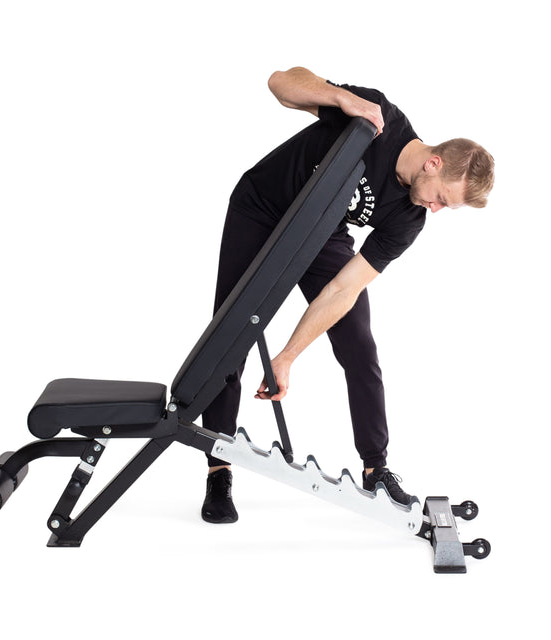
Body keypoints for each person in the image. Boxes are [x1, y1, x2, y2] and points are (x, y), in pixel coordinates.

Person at [200, 67, 494, 523]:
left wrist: (287, 356)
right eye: (440, 198)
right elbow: (281, 83)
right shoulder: (378, 120)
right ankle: (218, 467)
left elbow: (344, 286)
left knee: (359, 343)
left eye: (443, 208)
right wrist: (342, 99)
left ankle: (376, 467)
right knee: (230, 335)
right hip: (260, 207)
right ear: (433, 163)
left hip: (321, 231)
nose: (434, 210)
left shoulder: (409, 219)